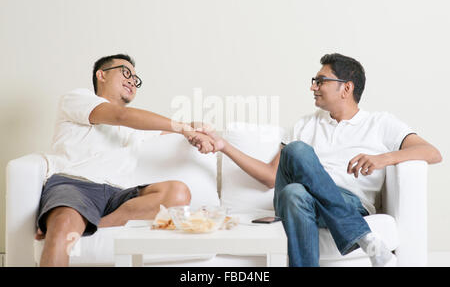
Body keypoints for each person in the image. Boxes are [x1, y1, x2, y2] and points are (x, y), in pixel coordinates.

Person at [190, 53, 442, 267]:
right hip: (308, 208)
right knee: (296, 152)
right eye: (314, 81)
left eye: (321, 81)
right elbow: (270, 176)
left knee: (294, 193)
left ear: (346, 88)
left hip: (351, 202)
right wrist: (223, 145)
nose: (313, 87)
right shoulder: (304, 125)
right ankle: (362, 235)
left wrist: (383, 158)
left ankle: (352, 228)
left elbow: (432, 152)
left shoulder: (380, 123)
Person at [35, 54, 215, 266]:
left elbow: (162, 130)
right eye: (125, 72)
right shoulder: (78, 99)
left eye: (136, 79)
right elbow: (121, 116)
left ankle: (90, 224)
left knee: (178, 192)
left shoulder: (135, 128)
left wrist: (196, 128)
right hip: (75, 185)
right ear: (101, 75)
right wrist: (184, 128)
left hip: (117, 195)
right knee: (64, 222)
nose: (132, 80)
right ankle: (65, 224)